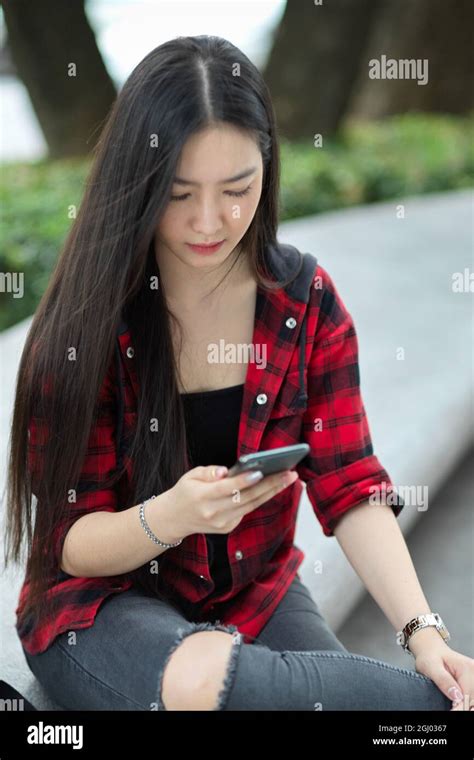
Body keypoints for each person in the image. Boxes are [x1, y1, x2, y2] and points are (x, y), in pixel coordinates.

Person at [4, 35, 472, 712]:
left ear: (267, 168)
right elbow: (68, 544)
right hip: (100, 608)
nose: (207, 221)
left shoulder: (304, 302)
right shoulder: (87, 325)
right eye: (179, 193)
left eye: (236, 189)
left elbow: (350, 484)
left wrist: (424, 636)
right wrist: (172, 516)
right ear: (140, 185)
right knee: (205, 683)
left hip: (256, 593)